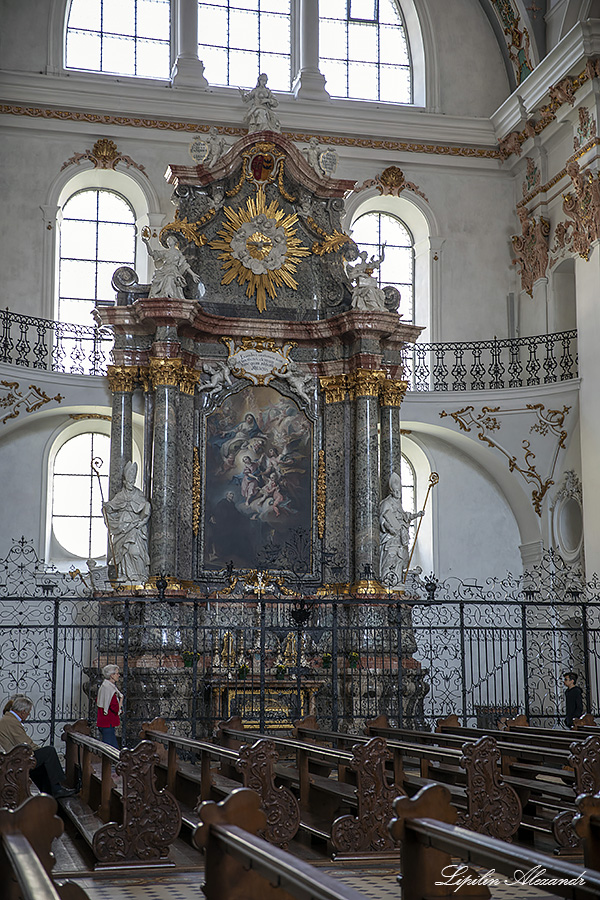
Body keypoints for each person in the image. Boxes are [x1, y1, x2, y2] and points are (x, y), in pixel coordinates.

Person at [0, 695, 76, 798]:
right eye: (28, 712)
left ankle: (50, 791)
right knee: (49, 751)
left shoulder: (8, 719)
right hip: (16, 759)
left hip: (14, 757)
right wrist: (39, 749)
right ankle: (57, 788)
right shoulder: (11, 721)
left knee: (40, 762)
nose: (28, 715)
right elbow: (24, 742)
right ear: (23, 711)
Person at [103, 461, 151, 584]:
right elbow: (112, 506)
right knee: (122, 552)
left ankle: (139, 574)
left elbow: (146, 509)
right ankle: (124, 574)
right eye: (129, 481)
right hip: (122, 526)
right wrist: (106, 507)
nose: (131, 483)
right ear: (124, 481)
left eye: (132, 481)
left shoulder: (139, 494)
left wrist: (142, 519)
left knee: (134, 551)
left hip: (135, 527)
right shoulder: (120, 495)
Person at [379, 472, 424, 585]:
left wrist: (417, 515)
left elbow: (405, 516)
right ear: (391, 491)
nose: (398, 493)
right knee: (390, 558)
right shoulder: (386, 503)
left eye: (399, 491)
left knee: (400, 559)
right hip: (391, 537)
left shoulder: (398, 504)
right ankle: (386, 581)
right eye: (396, 491)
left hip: (401, 536)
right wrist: (389, 527)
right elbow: (382, 519)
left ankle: (397, 583)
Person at [142, 232, 201, 299]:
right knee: (157, 279)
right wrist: (146, 243)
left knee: (170, 279)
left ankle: (169, 296)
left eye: (169, 240)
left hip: (173, 271)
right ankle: (163, 296)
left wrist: (193, 274)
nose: (168, 242)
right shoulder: (165, 252)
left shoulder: (178, 253)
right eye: (167, 241)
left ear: (174, 241)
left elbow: (184, 264)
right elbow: (151, 253)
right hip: (164, 270)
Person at [96, 664, 123, 748]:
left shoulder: (104, 686)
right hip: (108, 723)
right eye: (117, 673)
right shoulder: (109, 689)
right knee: (110, 749)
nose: (118, 675)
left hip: (103, 722)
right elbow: (115, 708)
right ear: (111, 675)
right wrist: (121, 699)